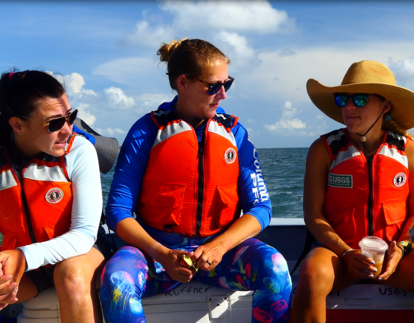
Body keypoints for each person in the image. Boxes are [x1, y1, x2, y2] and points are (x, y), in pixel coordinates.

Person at [100, 38, 292, 323]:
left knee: (276, 268)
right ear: (182, 83)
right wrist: (163, 254)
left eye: (228, 84)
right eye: (214, 86)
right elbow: (117, 212)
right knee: (117, 284)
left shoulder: (235, 134)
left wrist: (219, 246)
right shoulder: (146, 132)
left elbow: (261, 208)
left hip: (221, 256)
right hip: (157, 257)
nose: (223, 94)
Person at [0, 70, 105, 323]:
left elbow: (85, 233)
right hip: (23, 270)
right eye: (54, 123)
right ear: (18, 125)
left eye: (70, 117)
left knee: (71, 275)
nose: (67, 130)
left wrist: (23, 256)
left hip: (76, 255)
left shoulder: (80, 151)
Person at [291, 60, 414, 323]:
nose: (348, 107)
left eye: (360, 99)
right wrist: (346, 252)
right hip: (339, 254)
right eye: (343, 99)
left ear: (384, 105)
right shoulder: (323, 150)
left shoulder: (410, 151)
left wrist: (400, 250)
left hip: (395, 255)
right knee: (311, 276)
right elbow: (313, 215)